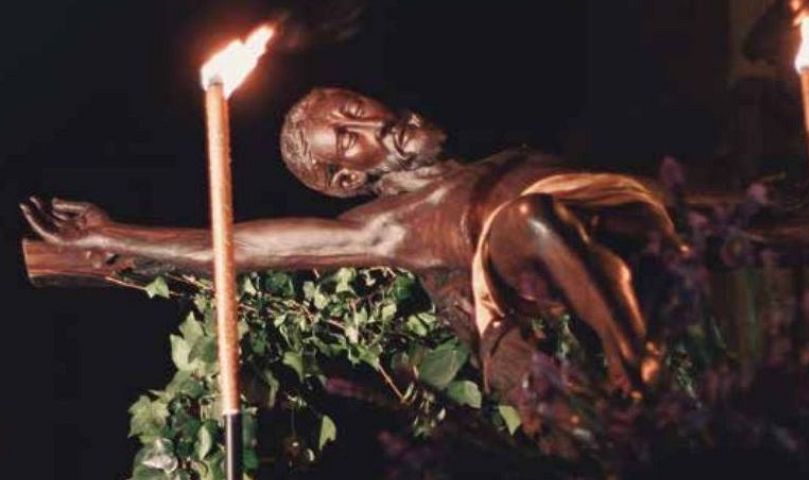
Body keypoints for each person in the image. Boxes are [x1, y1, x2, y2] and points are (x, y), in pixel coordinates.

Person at [21, 87, 682, 392]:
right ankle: (634, 363)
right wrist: (115, 234)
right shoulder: (392, 225)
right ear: (346, 178)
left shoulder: (496, 157)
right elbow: (242, 248)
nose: (372, 126)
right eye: (349, 136)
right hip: (538, 240)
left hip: (624, 212)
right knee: (533, 217)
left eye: (358, 109)